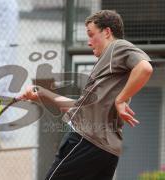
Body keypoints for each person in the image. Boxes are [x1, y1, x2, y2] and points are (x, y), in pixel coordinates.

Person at [18, 10, 153, 180]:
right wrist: (43, 94)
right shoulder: (109, 68)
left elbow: (145, 68)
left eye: (91, 34)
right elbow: (80, 108)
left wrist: (121, 99)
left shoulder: (116, 47)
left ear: (107, 32)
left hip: (86, 141)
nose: (89, 42)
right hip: (106, 150)